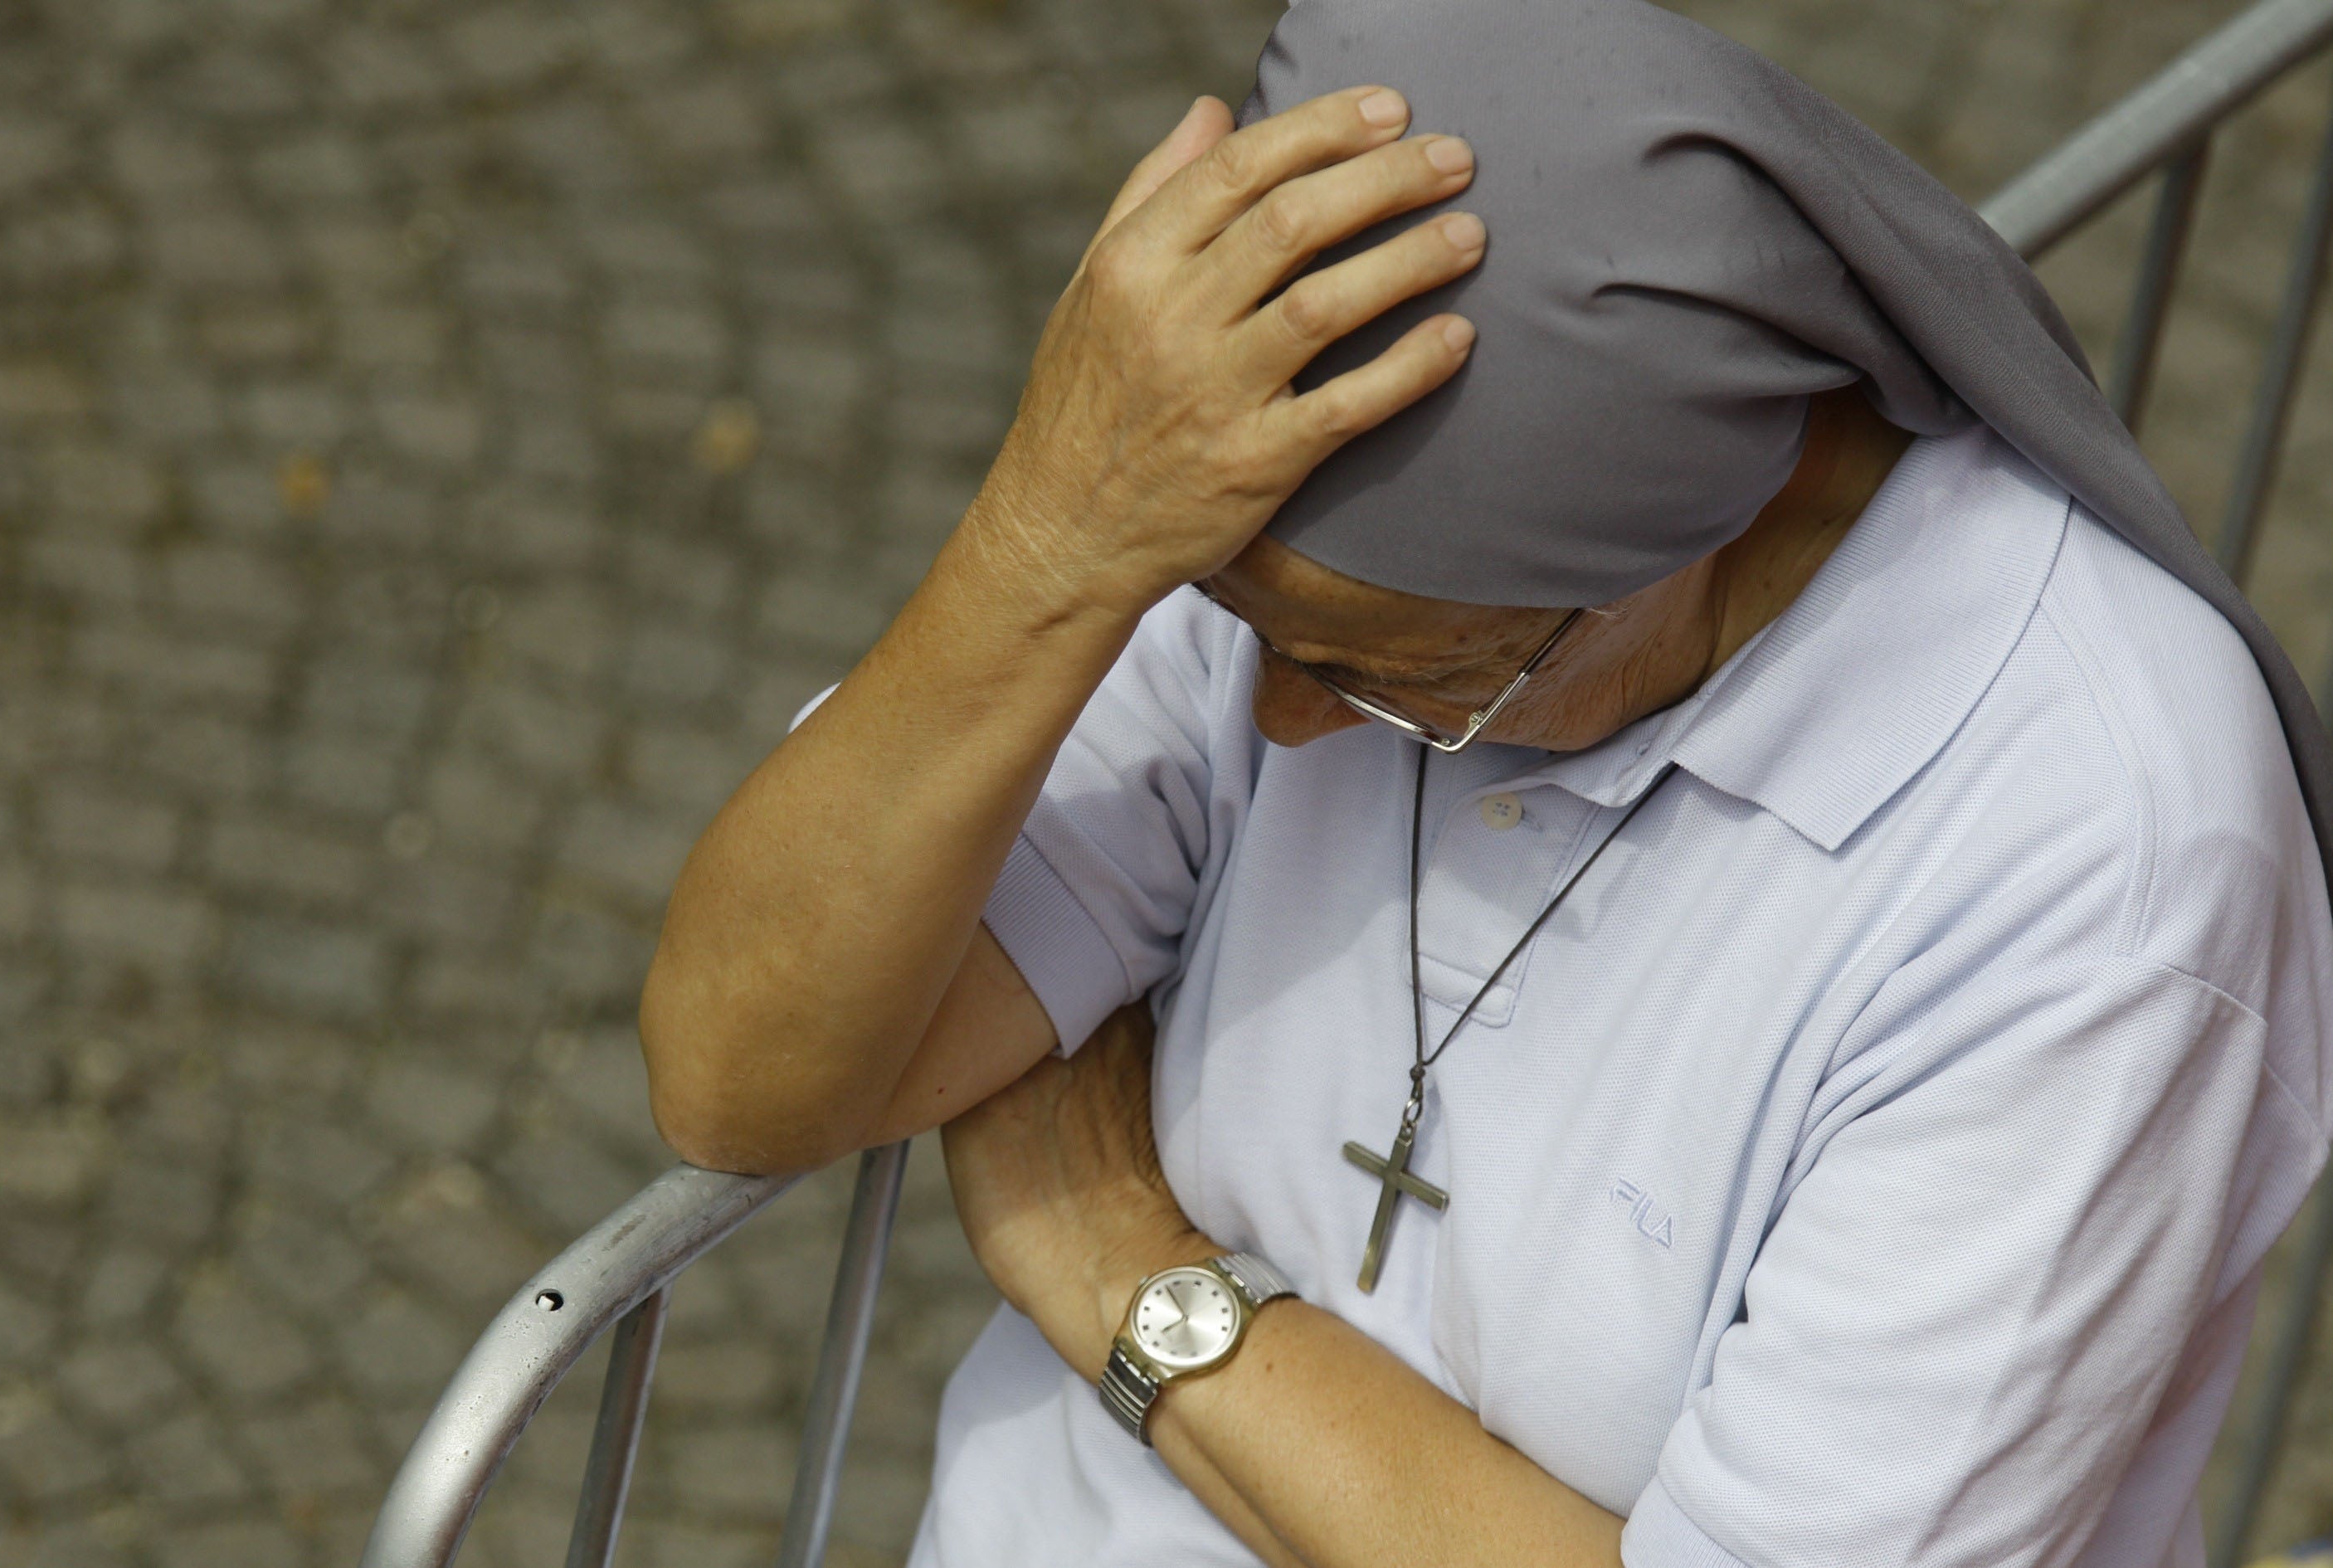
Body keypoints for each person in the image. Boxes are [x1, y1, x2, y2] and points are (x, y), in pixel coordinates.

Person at [640, 1, 2333, 1562]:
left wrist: (1125, 1271)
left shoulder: (2102, 881)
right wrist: (1051, 535)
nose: (1283, 732)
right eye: (1233, 634)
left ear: (1681, 548)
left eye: (1400, 682)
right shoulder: (1280, 537)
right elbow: (746, 1070)